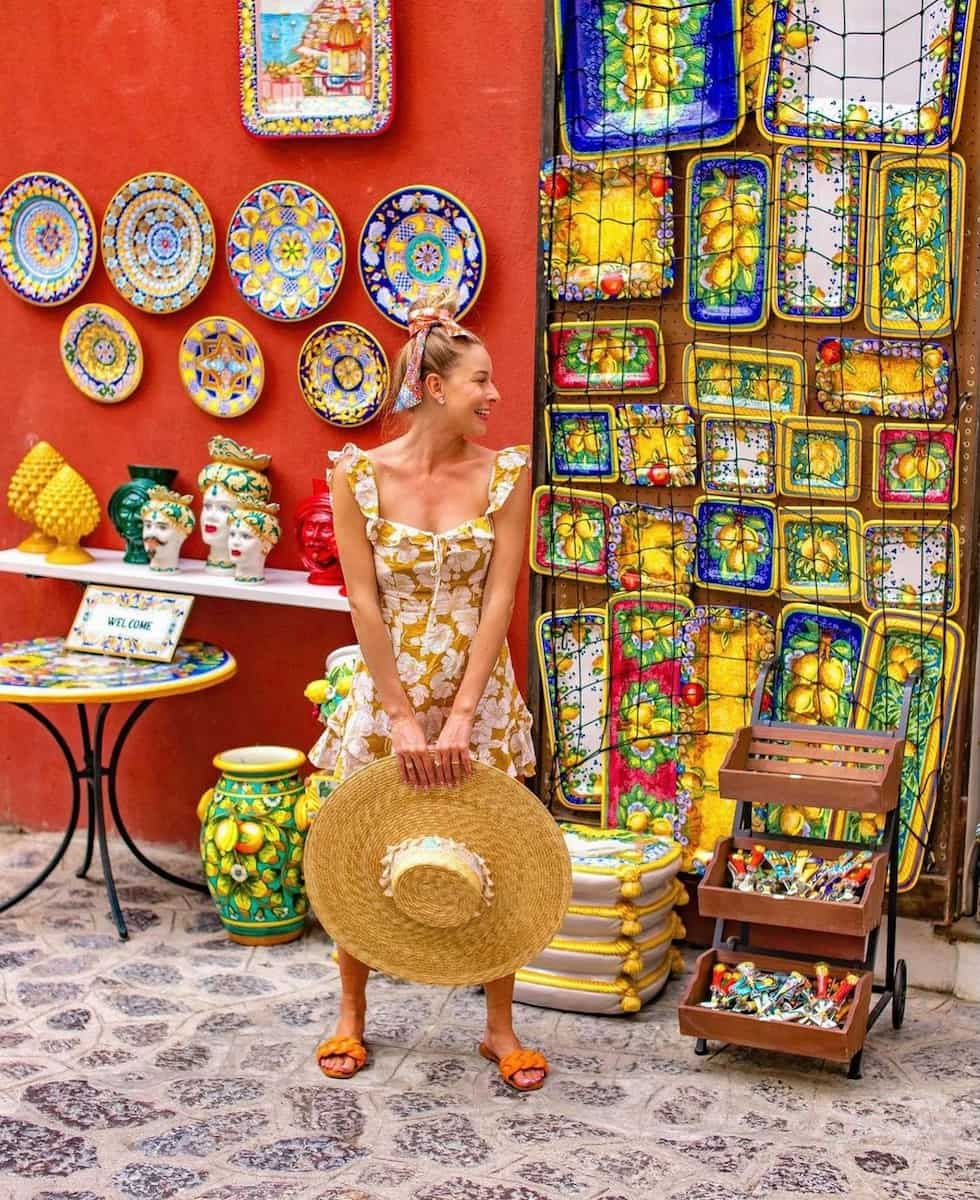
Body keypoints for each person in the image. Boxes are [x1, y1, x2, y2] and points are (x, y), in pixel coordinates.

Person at [309, 286, 546, 1090]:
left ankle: (499, 1026)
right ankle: (349, 1016)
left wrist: (465, 715)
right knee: (363, 839)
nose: (496, 395)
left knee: (497, 844)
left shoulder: (507, 475)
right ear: (437, 389)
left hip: (478, 685)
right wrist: (405, 718)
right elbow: (363, 601)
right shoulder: (356, 476)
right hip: (389, 689)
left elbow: (502, 599)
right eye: (482, 381)